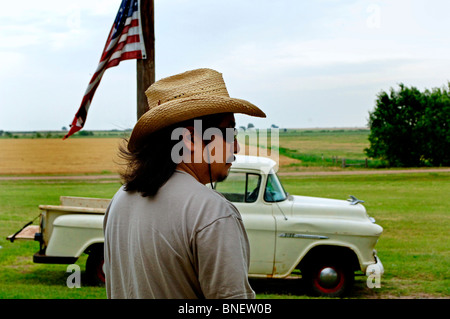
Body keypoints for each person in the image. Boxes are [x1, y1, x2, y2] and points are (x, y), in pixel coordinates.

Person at [103, 68, 266, 298]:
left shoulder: (119, 201)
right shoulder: (211, 212)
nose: (236, 147)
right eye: (229, 132)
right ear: (188, 139)